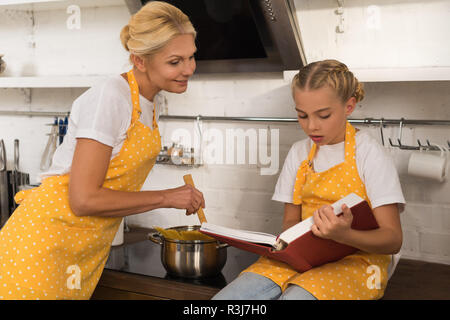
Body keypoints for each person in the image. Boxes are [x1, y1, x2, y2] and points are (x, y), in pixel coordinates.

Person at [0, 1, 204, 300]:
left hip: (80, 252)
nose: (189, 69)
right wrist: (166, 197)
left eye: (191, 57)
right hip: (43, 246)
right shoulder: (112, 96)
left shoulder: (148, 101)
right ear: (140, 61)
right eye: (175, 61)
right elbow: (83, 199)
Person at [213, 59, 405, 300]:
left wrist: (344, 235)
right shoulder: (298, 153)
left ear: (349, 106)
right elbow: (290, 222)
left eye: (323, 115)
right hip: (305, 258)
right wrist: (295, 247)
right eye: (302, 115)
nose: (312, 126)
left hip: (363, 262)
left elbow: (392, 240)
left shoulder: (369, 154)